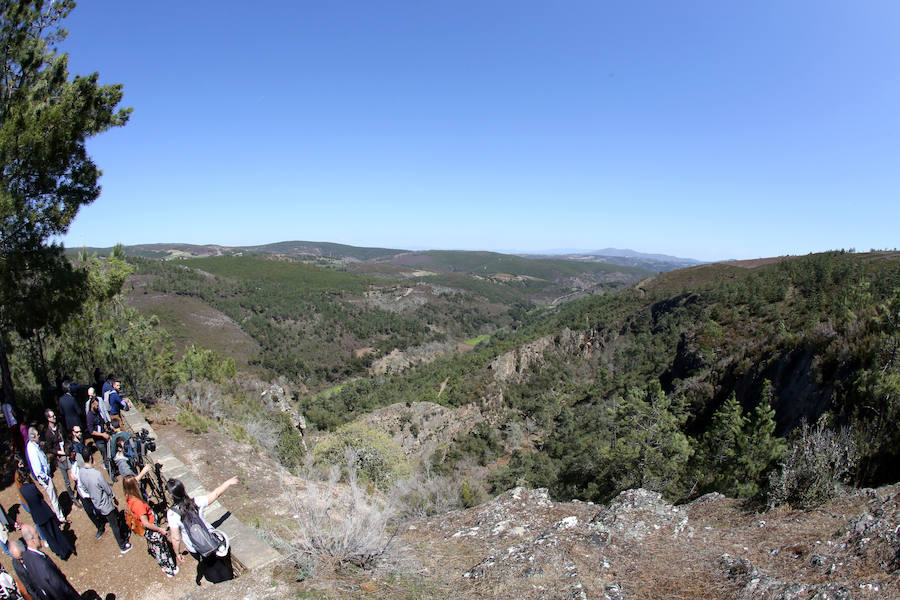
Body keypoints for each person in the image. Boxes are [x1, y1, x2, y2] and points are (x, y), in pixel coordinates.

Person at [166, 476, 238, 585]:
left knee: (207, 563)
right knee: (219, 562)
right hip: (210, 540)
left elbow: (175, 538)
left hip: (195, 547)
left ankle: (217, 583)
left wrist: (177, 552)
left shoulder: (172, 514)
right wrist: (227, 482)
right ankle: (228, 580)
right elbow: (215, 494)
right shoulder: (196, 502)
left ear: (172, 495)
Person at [122, 475, 178, 577]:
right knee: (161, 549)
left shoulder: (128, 496)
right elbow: (146, 523)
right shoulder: (138, 504)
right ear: (134, 486)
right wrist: (160, 529)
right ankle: (169, 569)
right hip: (152, 529)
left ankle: (168, 567)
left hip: (147, 532)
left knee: (157, 548)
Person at [77, 451, 131, 554]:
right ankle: (123, 544)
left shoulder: (81, 472)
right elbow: (106, 488)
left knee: (113, 518)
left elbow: (83, 487)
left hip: (95, 501)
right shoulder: (97, 474)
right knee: (114, 524)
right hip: (105, 503)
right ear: (90, 457)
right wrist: (113, 497)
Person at [17, 470, 74, 561]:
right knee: (55, 531)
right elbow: (40, 496)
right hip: (44, 512)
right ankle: (66, 548)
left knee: (49, 536)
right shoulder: (32, 487)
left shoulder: (22, 490)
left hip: (37, 516)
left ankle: (60, 552)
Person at [20, 524, 80, 599]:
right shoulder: (43, 564)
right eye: (37, 535)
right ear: (33, 540)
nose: (40, 537)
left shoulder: (26, 556)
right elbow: (59, 585)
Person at [24, 428, 64, 523]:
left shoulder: (34, 445)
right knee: (53, 496)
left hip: (45, 475)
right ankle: (60, 517)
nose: (39, 436)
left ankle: (59, 511)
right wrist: (46, 478)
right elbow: (38, 470)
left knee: (54, 494)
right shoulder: (32, 450)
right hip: (44, 477)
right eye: (37, 435)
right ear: (33, 438)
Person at [68, 448, 105, 540]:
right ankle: (99, 526)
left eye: (72, 453)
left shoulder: (80, 460)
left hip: (89, 490)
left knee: (97, 506)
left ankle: (103, 518)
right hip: (82, 492)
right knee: (89, 511)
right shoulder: (72, 464)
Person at [40, 410, 75, 505]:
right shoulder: (48, 433)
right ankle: (72, 497)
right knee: (66, 480)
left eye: (54, 415)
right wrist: (60, 452)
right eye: (52, 416)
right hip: (60, 459)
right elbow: (50, 449)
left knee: (75, 475)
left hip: (68, 455)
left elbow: (66, 438)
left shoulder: (59, 426)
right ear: (48, 419)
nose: (54, 417)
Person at [86, 397, 113, 480]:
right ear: (92, 405)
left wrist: (105, 426)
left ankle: (111, 469)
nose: (98, 407)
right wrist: (102, 435)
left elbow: (101, 421)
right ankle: (111, 474)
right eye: (97, 405)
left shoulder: (97, 412)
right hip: (98, 440)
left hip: (104, 436)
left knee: (109, 453)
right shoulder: (89, 416)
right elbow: (91, 431)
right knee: (105, 455)